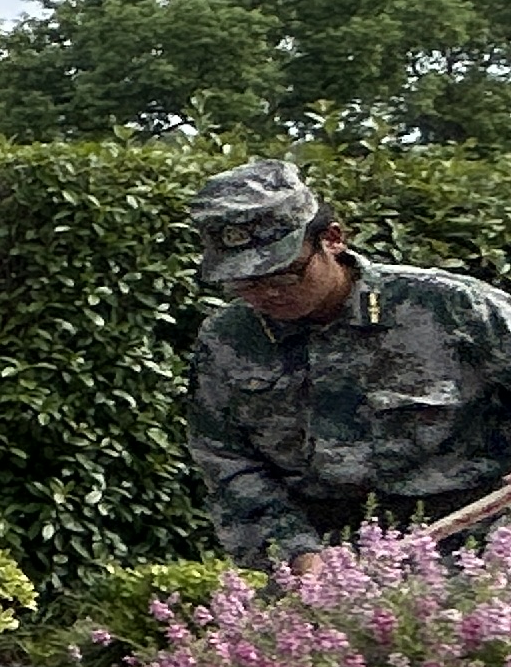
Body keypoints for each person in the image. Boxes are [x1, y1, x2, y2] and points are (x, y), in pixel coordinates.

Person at [183, 157, 511, 566]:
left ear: (332, 240)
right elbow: (227, 461)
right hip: (326, 561)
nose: (267, 294)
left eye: (283, 275)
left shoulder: (452, 307)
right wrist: (295, 552)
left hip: (476, 546)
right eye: (244, 284)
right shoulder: (228, 340)